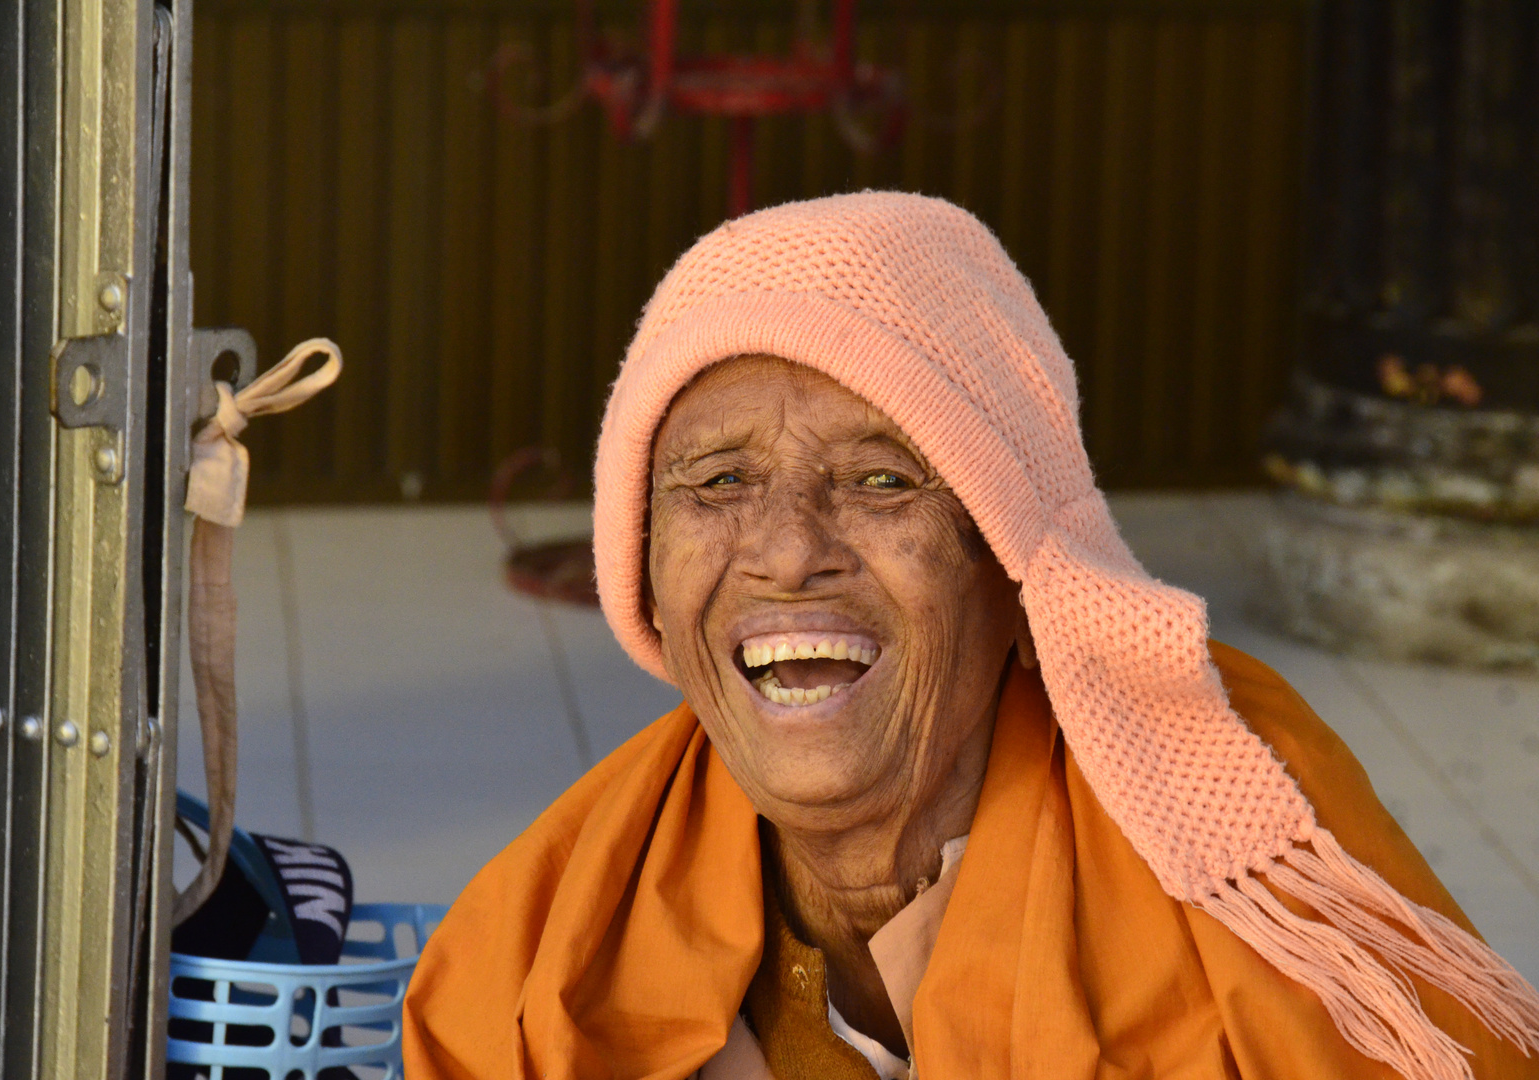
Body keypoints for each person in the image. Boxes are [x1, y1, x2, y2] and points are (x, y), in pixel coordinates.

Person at [403, 192, 1539, 1080]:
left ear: (1013, 559)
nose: (787, 550)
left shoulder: (1242, 838)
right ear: (643, 565)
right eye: (717, 481)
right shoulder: (556, 928)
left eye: (881, 479)